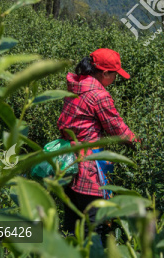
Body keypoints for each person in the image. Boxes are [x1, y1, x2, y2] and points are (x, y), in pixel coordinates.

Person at [57, 48, 139, 236]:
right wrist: (140, 145)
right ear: (104, 73)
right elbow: (117, 129)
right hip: (87, 168)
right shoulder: (98, 95)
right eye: (114, 75)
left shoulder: (75, 85)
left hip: (67, 164)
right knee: (95, 227)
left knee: (73, 224)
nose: (115, 80)